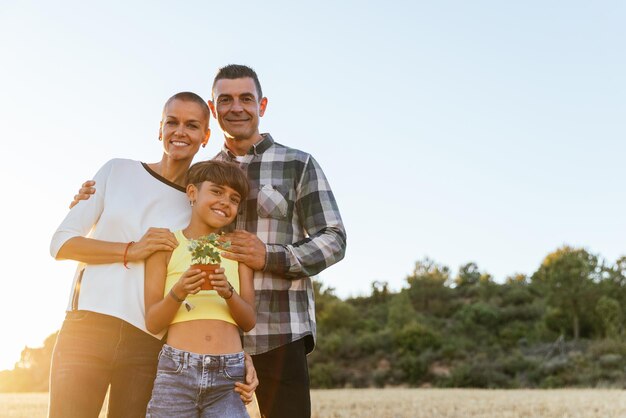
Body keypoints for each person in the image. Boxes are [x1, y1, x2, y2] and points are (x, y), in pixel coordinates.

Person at [72, 65, 347, 418]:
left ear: (261, 106)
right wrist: (88, 197)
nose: (236, 108)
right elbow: (152, 197)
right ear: (214, 111)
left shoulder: (298, 163)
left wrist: (270, 257)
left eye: (246, 99)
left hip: (281, 329)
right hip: (207, 343)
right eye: (225, 100)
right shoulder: (203, 171)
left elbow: (335, 238)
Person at [50, 92, 257, 418]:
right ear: (159, 128)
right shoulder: (116, 171)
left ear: (205, 137)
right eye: (172, 122)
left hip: (148, 344)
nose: (180, 132)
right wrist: (132, 250)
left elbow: (216, 290)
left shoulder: (201, 201)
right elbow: (61, 244)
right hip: (87, 327)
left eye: (192, 126)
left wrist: (235, 357)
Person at [144, 160, 255, 418]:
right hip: (176, 373)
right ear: (192, 193)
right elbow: (153, 321)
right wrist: (178, 291)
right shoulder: (166, 246)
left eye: (234, 198)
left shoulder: (237, 251)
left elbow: (248, 321)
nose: (225, 202)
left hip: (229, 377)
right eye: (216, 191)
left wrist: (228, 293)